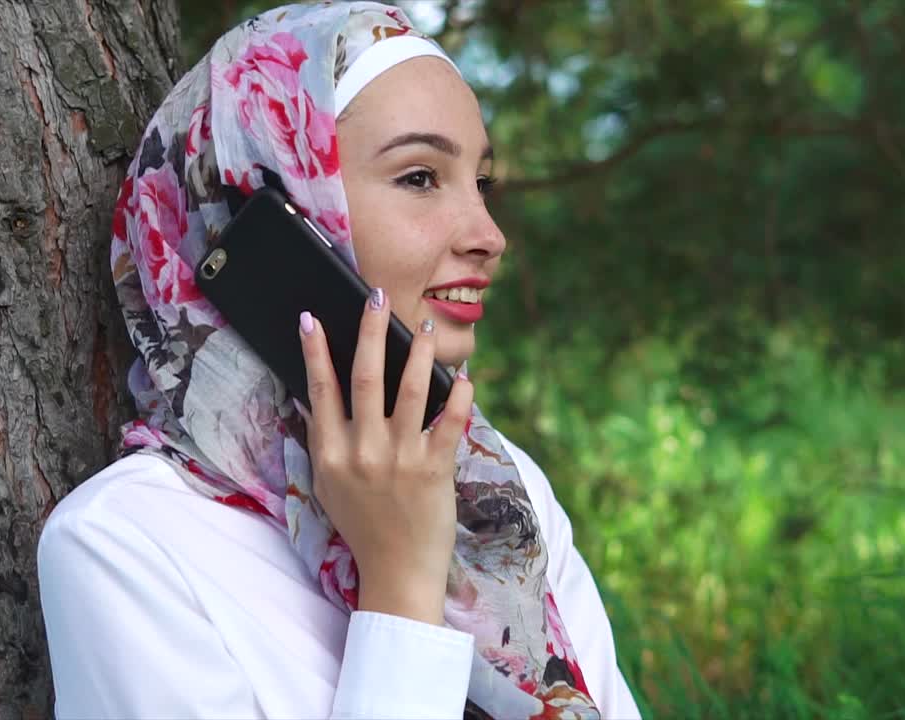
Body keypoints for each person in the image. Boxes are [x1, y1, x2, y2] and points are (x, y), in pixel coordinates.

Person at [37, 3, 643, 718]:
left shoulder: (500, 492)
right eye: (420, 177)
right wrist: (400, 584)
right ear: (270, 211)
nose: (489, 235)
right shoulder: (125, 544)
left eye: (480, 183)